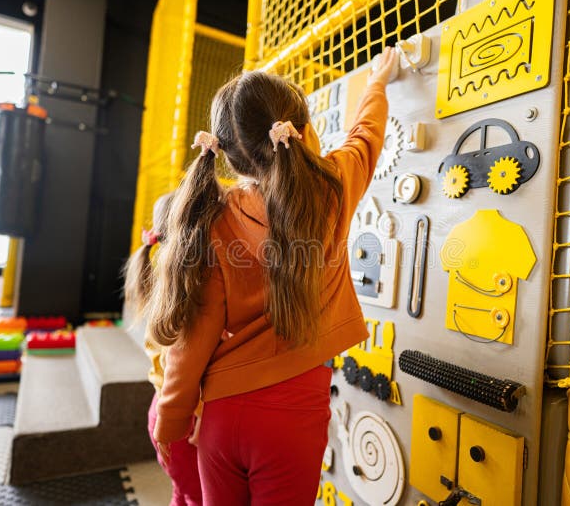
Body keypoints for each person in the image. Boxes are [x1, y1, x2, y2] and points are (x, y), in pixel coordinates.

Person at [147, 46, 398, 505]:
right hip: (293, 412)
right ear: (302, 132)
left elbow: (195, 332)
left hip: (222, 414)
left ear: (228, 156)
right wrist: (378, 82)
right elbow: (367, 135)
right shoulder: (333, 188)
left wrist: (172, 419)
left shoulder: (213, 217)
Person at [124, 193, 203, 506]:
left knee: (182, 493)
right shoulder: (184, 295)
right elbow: (184, 367)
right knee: (198, 496)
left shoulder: (162, 278)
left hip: (162, 410)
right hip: (183, 421)